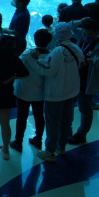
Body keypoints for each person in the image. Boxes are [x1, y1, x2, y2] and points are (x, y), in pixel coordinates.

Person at [36, 23, 82, 162]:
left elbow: (49, 71)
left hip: (56, 93)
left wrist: (39, 60)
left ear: (57, 36)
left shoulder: (57, 51)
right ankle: (61, 146)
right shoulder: (76, 48)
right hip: (72, 90)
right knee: (67, 120)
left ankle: (49, 152)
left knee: (53, 122)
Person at [68, 17, 99, 145]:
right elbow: (69, 26)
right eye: (84, 33)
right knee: (68, 105)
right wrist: (80, 21)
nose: (87, 36)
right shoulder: (81, 37)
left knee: (85, 108)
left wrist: (90, 61)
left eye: (90, 34)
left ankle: (82, 133)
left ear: (96, 32)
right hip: (74, 78)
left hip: (87, 80)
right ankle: (67, 128)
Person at [14, 29, 50, 153]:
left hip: (24, 91)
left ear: (35, 39)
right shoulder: (51, 55)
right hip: (41, 92)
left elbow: (17, 67)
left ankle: (18, 142)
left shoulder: (27, 54)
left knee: (21, 116)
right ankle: (38, 139)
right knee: (39, 115)